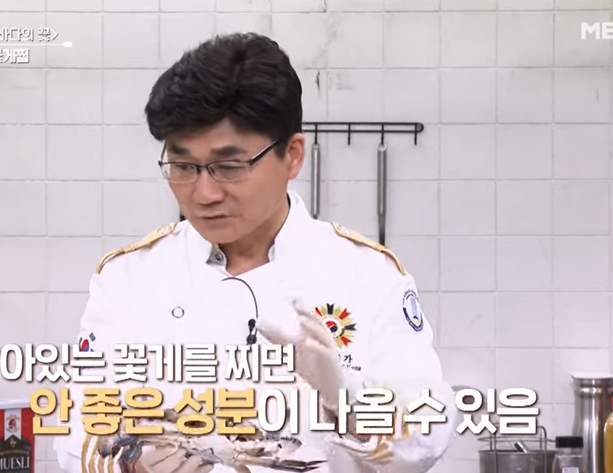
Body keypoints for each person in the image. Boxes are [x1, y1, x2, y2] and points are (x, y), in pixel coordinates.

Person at [54, 32, 456, 473]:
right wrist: (131, 462)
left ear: (293, 156)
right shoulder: (129, 279)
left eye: (229, 167)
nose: (204, 194)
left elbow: (428, 435)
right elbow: (77, 428)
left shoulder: (368, 275)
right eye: (183, 166)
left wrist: (347, 403)